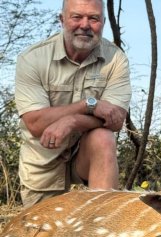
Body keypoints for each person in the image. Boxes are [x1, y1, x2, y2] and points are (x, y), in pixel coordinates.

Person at [14, 0, 132, 208]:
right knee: (43, 236)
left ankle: (102, 224)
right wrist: (88, 105)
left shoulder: (116, 59)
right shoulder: (32, 59)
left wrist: (73, 121)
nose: (85, 25)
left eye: (93, 18)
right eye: (76, 17)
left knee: (103, 138)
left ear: (103, 22)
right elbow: (35, 124)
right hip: (43, 165)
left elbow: (116, 121)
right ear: (62, 19)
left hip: (84, 158)